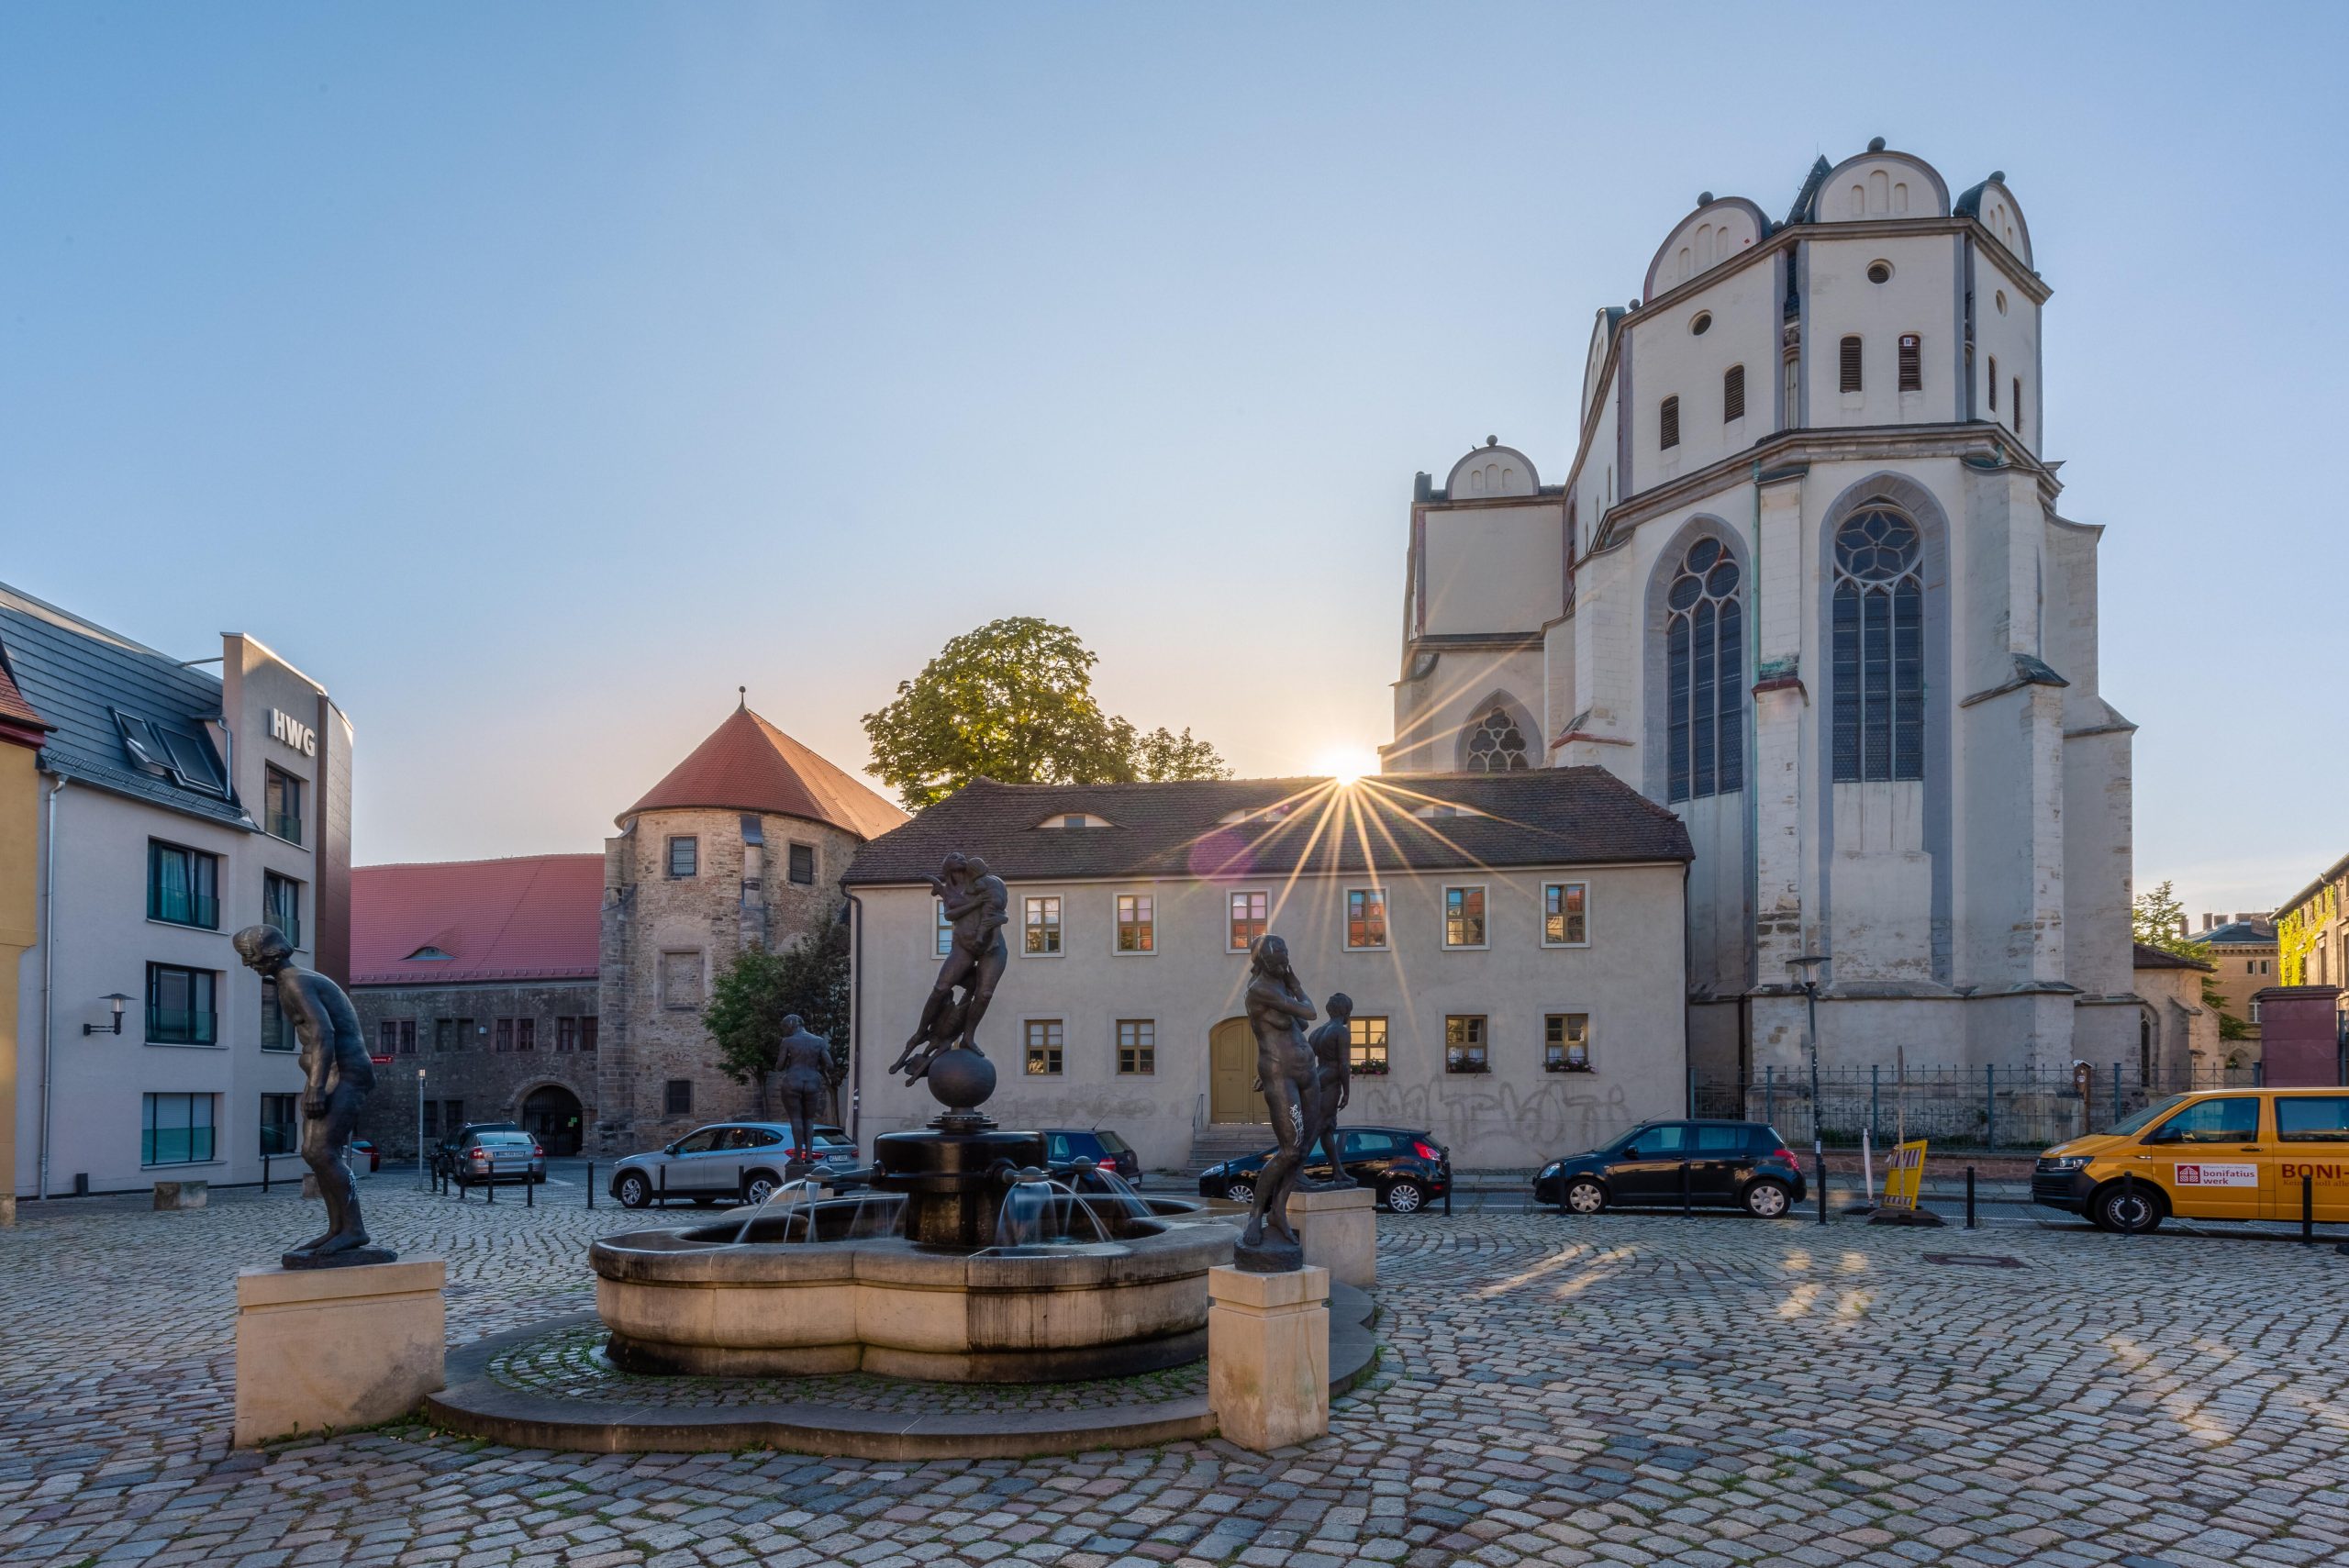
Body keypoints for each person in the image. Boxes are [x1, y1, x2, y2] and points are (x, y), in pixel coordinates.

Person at [234, 924, 385, 1265]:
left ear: (271, 953)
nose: (248, 965)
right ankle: (339, 1227)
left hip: (344, 1073)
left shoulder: (295, 981)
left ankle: (354, 1229)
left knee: (321, 1150)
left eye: (250, 957)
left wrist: (315, 1087)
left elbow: (322, 1034)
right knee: (313, 1152)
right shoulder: (289, 981)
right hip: (329, 1072)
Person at [1237, 934, 1319, 1267]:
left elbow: (1299, 1021)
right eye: (1280, 953)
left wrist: (1293, 990)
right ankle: (1256, 1215)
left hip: (1306, 1072)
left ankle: (1279, 1213)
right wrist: (1297, 983)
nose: (1285, 958)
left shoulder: (1280, 989)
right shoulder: (1260, 989)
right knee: (1289, 1149)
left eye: (1286, 951)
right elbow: (1311, 1011)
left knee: (1303, 1148)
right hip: (1280, 1073)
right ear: (1265, 958)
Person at [892, 851, 1009, 1080]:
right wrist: (975, 903)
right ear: (946, 867)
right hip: (963, 947)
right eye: (954, 856)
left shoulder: (982, 881)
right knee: (941, 988)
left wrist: (996, 917)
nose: (960, 857)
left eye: (962, 856)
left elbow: (1001, 911)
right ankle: (920, 1032)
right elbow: (949, 915)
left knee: (984, 994)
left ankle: (968, 1037)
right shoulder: (948, 890)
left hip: (992, 949)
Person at [1300, 993, 1356, 1188]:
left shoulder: (1317, 1032)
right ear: (1345, 1011)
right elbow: (1344, 1066)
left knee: (1326, 1129)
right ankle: (1298, 1171)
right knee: (1318, 1127)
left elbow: (1306, 1059)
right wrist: (1347, 1091)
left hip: (1317, 1077)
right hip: (1331, 1082)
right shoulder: (1341, 1031)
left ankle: (1338, 1171)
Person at [773, 1014, 832, 1164]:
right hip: (812, 1080)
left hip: (793, 1080)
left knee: (796, 1119)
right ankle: (810, 1156)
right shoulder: (819, 1041)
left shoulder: (787, 1042)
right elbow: (830, 1064)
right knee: (809, 1119)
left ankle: (799, 1156)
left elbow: (779, 1066)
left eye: (785, 1027)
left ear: (792, 1024)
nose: (785, 1030)